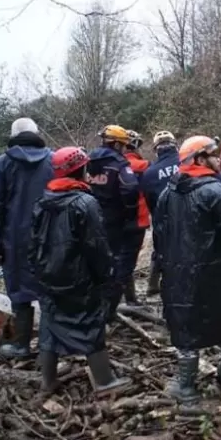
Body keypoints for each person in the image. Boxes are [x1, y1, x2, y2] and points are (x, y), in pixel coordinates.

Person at [153, 135, 221, 403]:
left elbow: (159, 237)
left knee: (186, 327)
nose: (219, 158)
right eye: (212, 153)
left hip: (179, 275)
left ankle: (186, 386)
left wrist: (164, 268)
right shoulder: (217, 192)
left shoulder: (166, 194)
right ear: (198, 159)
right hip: (218, 273)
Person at [30, 147, 132, 396]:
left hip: (48, 276)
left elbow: (33, 242)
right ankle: (105, 381)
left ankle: (48, 380)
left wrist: (39, 272)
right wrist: (104, 277)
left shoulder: (43, 201)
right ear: (80, 169)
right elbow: (96, 245)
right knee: (89, 324)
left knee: (49, 324)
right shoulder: (85, 203)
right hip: (78, 278)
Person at [0, 117, 53, 359]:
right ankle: (48, 347)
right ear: (37, 133)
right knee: (49, 289)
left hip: (15, 238)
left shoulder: (1, 164)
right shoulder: (53, 160)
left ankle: (22, 346)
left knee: (19, 290)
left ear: (12, 136)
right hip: (50, 236)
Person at [87, 125, 140, 321]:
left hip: (90, 218)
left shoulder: (89, 160)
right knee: (115, 265)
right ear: (117, 143)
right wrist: (129, 212)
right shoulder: (119, 163)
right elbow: (131, 188)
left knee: (93, 264)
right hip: (114, 221)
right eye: (124, 145)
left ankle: (93, 308)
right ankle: (107, 313)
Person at [140, 130, 180, 296]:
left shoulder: (149, 173)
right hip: (189, 218)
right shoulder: (187, 163)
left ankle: (153, 284)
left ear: (156, 149)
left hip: (161, 220)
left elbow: (149, 201)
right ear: (175, 146)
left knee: (160, 251)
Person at [121, 130, 151, 306]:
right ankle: (129, 299)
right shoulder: (143, 165)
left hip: (114, 221)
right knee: (129, 261)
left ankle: (125, 297)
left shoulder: (112, 165)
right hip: (138, 220)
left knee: (118, 258)